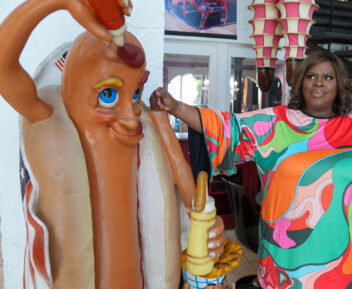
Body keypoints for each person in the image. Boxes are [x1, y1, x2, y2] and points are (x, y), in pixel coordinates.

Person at [151, 49, 352, 289]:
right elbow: (223, 127)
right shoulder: (276, 123)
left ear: (340, 84)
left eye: (328, 77)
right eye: (311, 76)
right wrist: (176, 106)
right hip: (285, 250)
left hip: (344, 251)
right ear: (300, 82)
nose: (319, 83)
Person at [0, 0, 223, 288]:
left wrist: (207, 230)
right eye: (108, 95)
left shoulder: (147, 138)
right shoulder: (49, 118)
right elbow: (4, 66)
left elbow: (179, 208)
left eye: (135, 94)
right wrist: (60, 2)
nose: (131, 116)